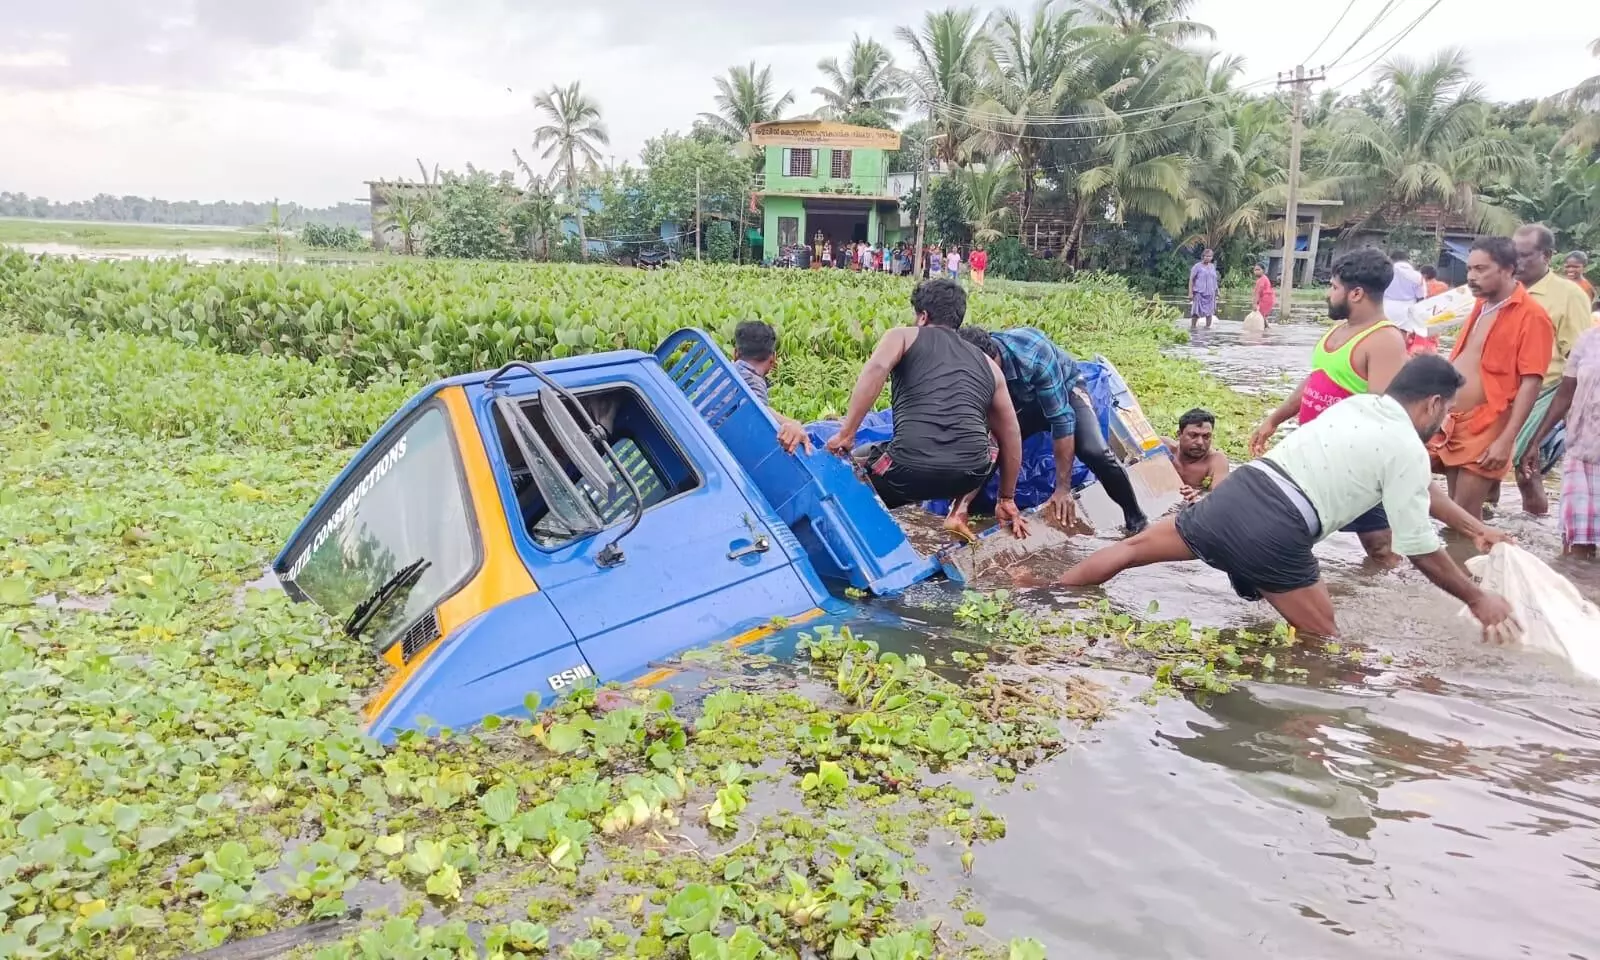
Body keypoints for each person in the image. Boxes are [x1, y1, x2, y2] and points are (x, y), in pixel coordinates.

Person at [1048, 356, 1517, 640]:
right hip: (1278, 529)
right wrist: (1476, 598)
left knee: (1129, 551)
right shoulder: (1409, 450)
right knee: (1329, 644)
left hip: (1238, 493)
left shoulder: (1357, 405)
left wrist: (1476, 529)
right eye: (1448, 410)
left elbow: (1422, 492)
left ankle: (1044, 594)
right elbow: (1419, 549)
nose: (1445, 420)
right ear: (1433, 404)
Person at [1250, 248, 1412, 564]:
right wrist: (1274, 420)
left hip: (1352, 464)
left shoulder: (1385, 341)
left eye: (1334, 287)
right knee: (1290, 528)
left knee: (1379, 546)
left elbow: (1383, 414)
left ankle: (1382, 599)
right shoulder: (1337, 330)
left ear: (1357, 293)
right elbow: (1315, 382)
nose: (1329, 294)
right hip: (1316, 454)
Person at [824, 279, 1026, 533]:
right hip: (969, 476)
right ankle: (957, 511)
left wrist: (847, 432)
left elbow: (876, 368)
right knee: (992, 443)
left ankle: (850, 533)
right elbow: (1011, 434)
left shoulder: (902, 337)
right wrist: (1006, 497)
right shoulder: (989, 364)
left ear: (922, 316)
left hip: (905, 471)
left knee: (857, 462)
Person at [952, 325, 1151, 537]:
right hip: (1018, 403)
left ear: (993, 360)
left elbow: (1062, 420)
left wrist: (1062, 488)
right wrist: (962, 503)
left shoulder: (1033, 353)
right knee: (982, 456)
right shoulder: (965, 367)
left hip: (1065, 392)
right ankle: (964, 513)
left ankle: (1136, 519)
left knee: (1095, 452)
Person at [1429, 236, 1555, 517]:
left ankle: (1480, 555)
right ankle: (1477, 555)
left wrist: (1506, 440)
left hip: (1488, 425)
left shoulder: (1532, 316)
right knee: (1454, 513)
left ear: (1509, 269)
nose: (1472, 277)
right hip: (1455, 421)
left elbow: (1531, 382)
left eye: (1481, 269)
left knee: (1463, 515)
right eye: (1470, 269)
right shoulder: (1480, 304)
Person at [1505, 224, 1593, 516]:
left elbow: (1582, 358)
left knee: (1525, 471)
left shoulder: (1569, 295)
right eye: (1512, 254)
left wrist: (1571, 413)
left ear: (1547, 255)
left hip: (1544, 392)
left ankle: (1534, 527)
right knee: (1480, 466)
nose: (1515, 261)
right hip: (1501, 390)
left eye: (1524, 255)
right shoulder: (1504, 288)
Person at [1522, 325, 1600, 557]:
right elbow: (1565, 393)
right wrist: (1535, 440)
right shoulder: (1588, 339)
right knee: (1577, 543)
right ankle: (1576, 589)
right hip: (1581, 451)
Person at [732, 320, 811, 454]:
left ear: (735, 353)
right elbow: (756, 410)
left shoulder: (721, 371)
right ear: (773, 359)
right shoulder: (753, 381)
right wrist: (792, 423)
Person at [1161, 408, 1229, 501]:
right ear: (1179, 434)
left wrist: (1198, 499)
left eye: (1206, 436)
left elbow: (1220, 498)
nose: (1200, 442)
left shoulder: (1216, 461)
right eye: (1193, 435)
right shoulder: (1164, 447)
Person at [1383, 249, 1429, 347]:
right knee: (1401, 337)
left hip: (1385, 307)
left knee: (1383, 333)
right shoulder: (1417, 276)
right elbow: (1421, 297)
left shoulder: (1384, 272)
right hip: (1406, 309)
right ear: (1407, 260)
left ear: (1391, 259)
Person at [1188, 248, 1219, 330]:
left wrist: (1217, 291)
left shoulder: (1212, 266)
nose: (1208, 258)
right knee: (1195, 312)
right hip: (1199, 292)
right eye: (1206, 256)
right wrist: (1190, 293)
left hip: (1210, 293)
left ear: (1212, 257)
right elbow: (1191, 279)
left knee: (1209, 313)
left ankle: (1207, 329)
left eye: (1210, 256)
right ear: (1203, 256)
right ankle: (1193, 328)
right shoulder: (1197, 267)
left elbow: (1214, 279)